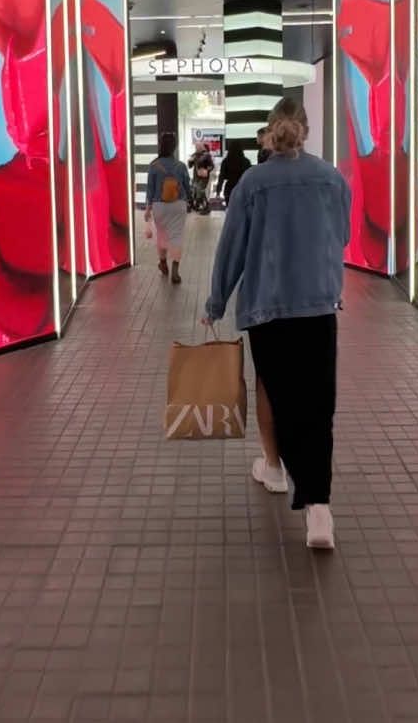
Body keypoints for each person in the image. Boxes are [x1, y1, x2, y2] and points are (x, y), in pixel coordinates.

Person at [203, 97, 350, 550]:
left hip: (267, 307)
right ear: (305, 130)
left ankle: (274, 468)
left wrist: (215, 302)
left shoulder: (254, 182)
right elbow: (342, 235)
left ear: (270, 131)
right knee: (317, 403)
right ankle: (319, 509)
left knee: (275, 390)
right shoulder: (330, 177)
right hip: (319, 305)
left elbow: (232, 247)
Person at [145, 133, 192, 284]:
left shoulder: (153, 166)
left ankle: (163, 263)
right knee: (176, 236)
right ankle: (175, 271)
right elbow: (187, 186)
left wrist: (147, 208)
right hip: (178, 205)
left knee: (162, 235)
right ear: (174, 147)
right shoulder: (181, 166)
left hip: (159, 206)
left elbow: (150, 189)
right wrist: (189, 200)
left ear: (161, 145)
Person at [217, 139, 252, 205]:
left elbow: (221, 176)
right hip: (242, 188)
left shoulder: (226, 161)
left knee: (230, 208)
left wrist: (218, 190)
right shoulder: (246, 161)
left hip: (229, 188)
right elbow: (250, 177)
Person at [188, 139, 215, 212]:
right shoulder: (194, 155)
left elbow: (212, 166)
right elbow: (190, 166)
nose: (196, 148)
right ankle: (198, 205)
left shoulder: (207, 155)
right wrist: (190, 161)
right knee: (195, 191)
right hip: (196, 176)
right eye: (196, 147)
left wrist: (206, 170)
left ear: (201, 147)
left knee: (200, 190)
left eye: (198, 147)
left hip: (203, 177)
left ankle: (206, 206)